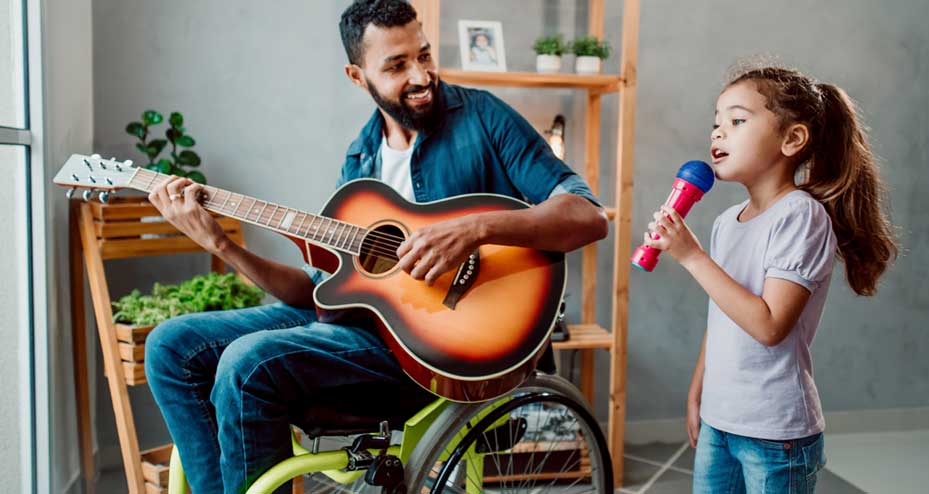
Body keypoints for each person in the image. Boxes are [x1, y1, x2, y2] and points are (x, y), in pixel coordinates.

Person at [143, 1, 608, 493]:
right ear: (356, 74)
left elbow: (587, 216)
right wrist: (223, 246)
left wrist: (474, 230)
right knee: (169, 346)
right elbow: (317, 294)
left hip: (435, 356)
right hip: (358, 336)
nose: (422, 75)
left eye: (423, 55)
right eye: (396, 65)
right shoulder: (359, 163)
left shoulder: (482, 118)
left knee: (247, 362)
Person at [643, 65, 897, 493]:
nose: (718, 134)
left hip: (775, 432)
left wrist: (691, 257)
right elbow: (724, 315)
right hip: (720, 421)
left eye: (737, 121)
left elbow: (769, 325)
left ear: (792, 139)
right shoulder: (727, 222)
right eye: (716, 123)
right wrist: (699, 387)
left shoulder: (802, 216)